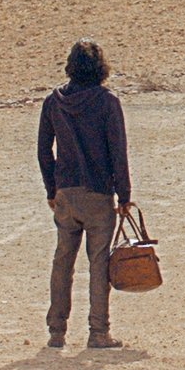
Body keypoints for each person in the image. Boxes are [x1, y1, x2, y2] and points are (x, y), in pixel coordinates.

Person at [38, 39, 134, 350]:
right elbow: (118, 152)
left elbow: (43, 151)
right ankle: (98, 332)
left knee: (62, 260)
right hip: (98, 194)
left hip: (66, 192)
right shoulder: (107, 102)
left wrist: (52, 189)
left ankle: (56, 332)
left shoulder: (54, 102)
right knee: (98, 263)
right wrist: (124, 195)